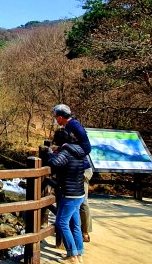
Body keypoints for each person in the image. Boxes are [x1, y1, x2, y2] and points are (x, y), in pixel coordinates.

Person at [53, 104, 93, 243]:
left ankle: (85, 232)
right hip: (78, 167)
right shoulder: (69, 126)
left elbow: (87, 147)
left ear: (61, 117)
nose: (55, 120)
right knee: (78, 203)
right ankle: (78, 234)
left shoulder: (74, 125)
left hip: (82, 168)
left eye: (56, 117)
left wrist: (70, 151)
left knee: (82, 202)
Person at [47, 129, 86, 263]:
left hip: (69, 194)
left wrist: (50, 154)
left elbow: (54, 163)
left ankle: (72, 256)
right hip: (79, 194)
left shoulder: (66, 151)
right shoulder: (79, 151)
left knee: (62, 222)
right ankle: (79, 253)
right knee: (75, 224)